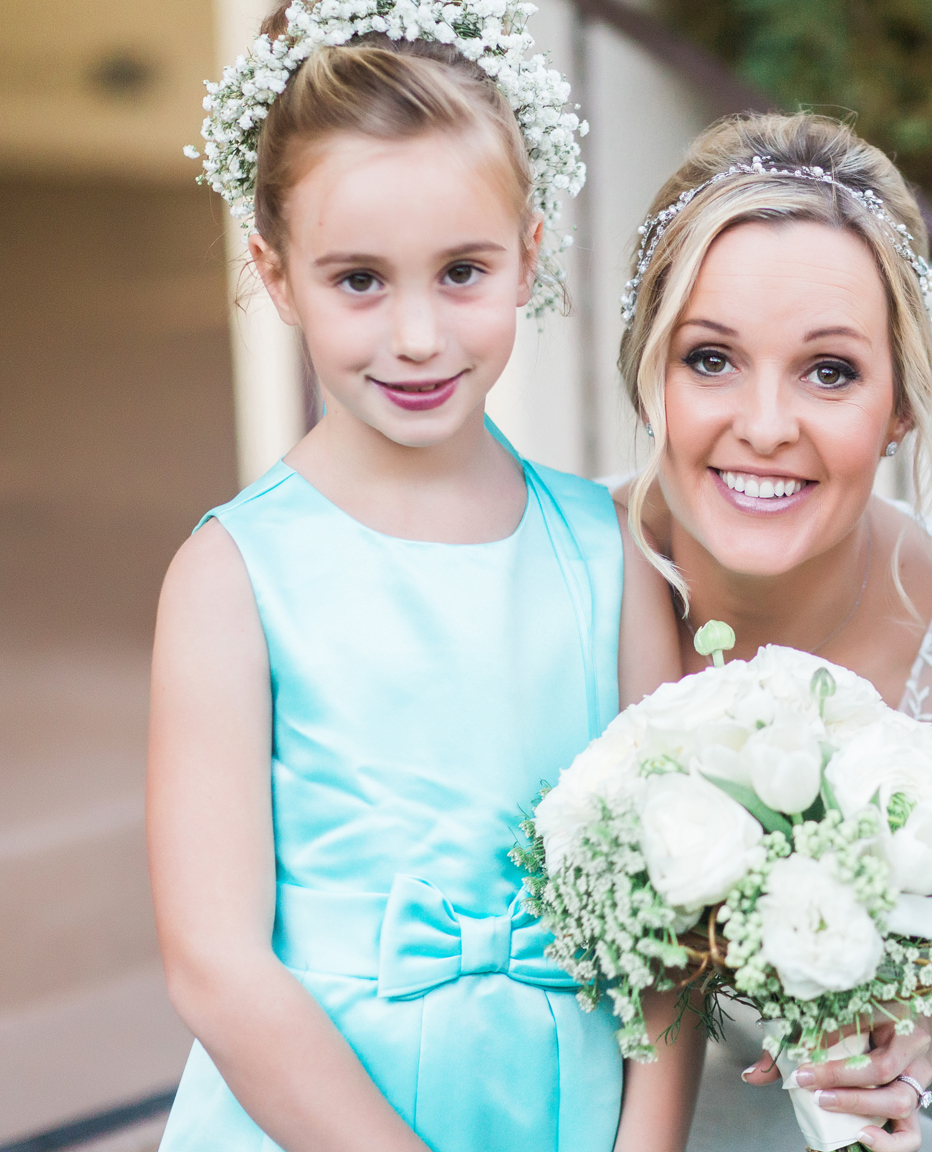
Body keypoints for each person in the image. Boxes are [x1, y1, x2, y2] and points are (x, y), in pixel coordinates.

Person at [148, 4, 700, 1148]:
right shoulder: (232, 578)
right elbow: (215, 965)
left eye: (461, 272)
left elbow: (671, 911)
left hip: (568, 1107)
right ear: (275, 272)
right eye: (359, 280)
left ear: (530, 258)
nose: (415, 336)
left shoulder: (611, 553)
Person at [613, 111, 932, 1149]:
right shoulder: (556, 578)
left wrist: (922, 1048)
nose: (768, 423)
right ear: (650, 369)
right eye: (710, 359)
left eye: (829, 371)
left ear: (901, 406)